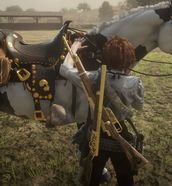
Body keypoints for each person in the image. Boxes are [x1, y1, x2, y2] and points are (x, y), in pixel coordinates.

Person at [59, 36, 144, 186]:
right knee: (125, 178)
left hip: (95, 136)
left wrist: (75, 47)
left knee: (91, 177)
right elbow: (139, 106)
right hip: (120, 136)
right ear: (129, 58)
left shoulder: (91, 77)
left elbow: (63, 69)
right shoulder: (135, 82)